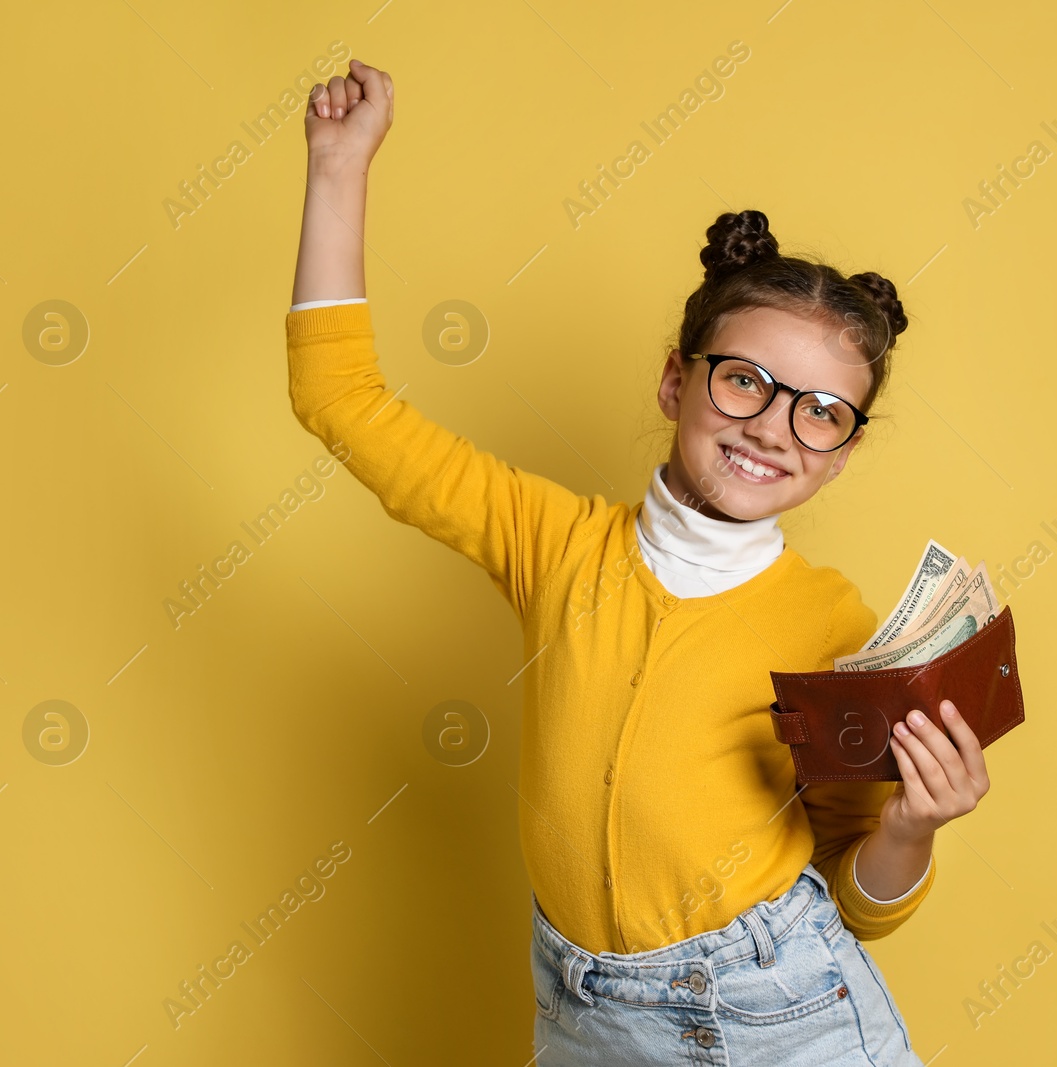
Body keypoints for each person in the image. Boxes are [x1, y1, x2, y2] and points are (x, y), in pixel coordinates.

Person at [287, 59, 992, 1067]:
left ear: (844, 448)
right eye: (744, 380)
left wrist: (914, 824)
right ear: (675, 377)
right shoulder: (552, 540)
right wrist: (337, 167)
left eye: (821, 411)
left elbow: (858, 895)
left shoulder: (838, 626)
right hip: (584, 1012)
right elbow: (340, 402)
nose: (774, 429)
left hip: (778, 1009)